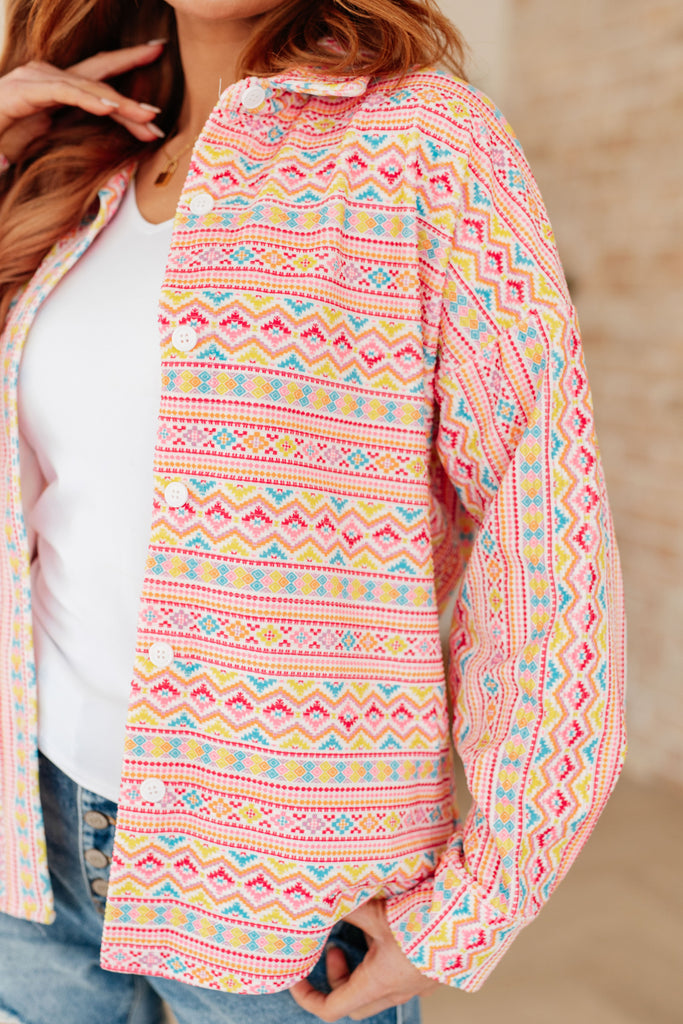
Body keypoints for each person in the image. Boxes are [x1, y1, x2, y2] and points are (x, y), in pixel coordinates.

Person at [0, 1, 627, 1022]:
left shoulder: (426, 142)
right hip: (30, 828)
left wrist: (479, 898)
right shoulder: (73, 168)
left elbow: (542, 524)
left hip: (282, 871)